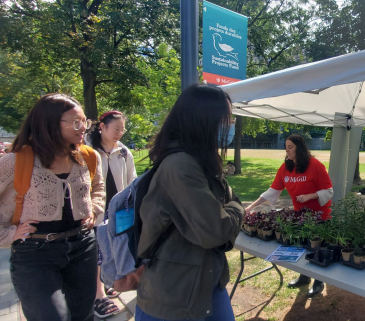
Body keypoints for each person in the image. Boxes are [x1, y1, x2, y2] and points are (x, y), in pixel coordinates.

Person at [135, 84, 245, 320]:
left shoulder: (203, 161)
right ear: (204, 120)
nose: (231, 124)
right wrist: (237, 210)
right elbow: (215, 230)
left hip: (207, 283)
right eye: (226, 118)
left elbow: (227, 204)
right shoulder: (180, 166)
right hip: (174, 297)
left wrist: (230, 209)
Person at [0, 93, 105, 320]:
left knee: (83, 316)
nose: (83, 128)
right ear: (48, 124)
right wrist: (8, 234)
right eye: (76, 122)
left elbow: (98, 189)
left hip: (83, 246)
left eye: (85, 122)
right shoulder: (15, 161)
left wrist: (94, 209)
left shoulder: (88, 156)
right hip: (34, 253)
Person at [245, 134, 333, 297]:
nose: (287, 150)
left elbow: (328, 191)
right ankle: (304, 277)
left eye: (290, 147)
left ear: (299, 148)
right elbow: (271, 192)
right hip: (301, 216)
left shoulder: (315, 165)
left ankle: (318, 281)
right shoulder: (285, 168)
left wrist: (309, 196)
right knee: (301, 246)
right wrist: (250, 207)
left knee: (317, 247)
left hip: (320, 216)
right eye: (286, 147)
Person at [86, 110, 137, 318]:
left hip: (117, 212)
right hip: (93, 211)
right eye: (116, 128)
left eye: (122, 130)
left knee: (115, 248)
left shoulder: (124, 152)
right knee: (97, 253)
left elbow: (132, 181)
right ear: (102, 126)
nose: (119, 133)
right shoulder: (87, 149)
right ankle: (98, 295)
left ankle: (111, 281)